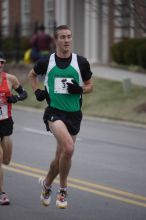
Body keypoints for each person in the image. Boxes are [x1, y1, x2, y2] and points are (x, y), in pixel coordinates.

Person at [28, 25, 93, 209]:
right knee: (70, 148)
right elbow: (32, 75)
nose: (66, 40)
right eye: (62, 37)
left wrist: (80, 89)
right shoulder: (46, 61)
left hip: (74, 114)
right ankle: (63, 189)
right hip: (54, 112)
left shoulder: (80, 62)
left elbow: (90, 86)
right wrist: (37, 91)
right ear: (56, 40)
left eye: (69, 37)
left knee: (61, 156)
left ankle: (47, 183)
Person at [0, 52, 28, 205]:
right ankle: (1, 193)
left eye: (1, 62)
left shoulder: (10, 79)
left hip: (6, 122)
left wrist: (16, 98)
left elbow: (24, 93)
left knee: (6, 160)